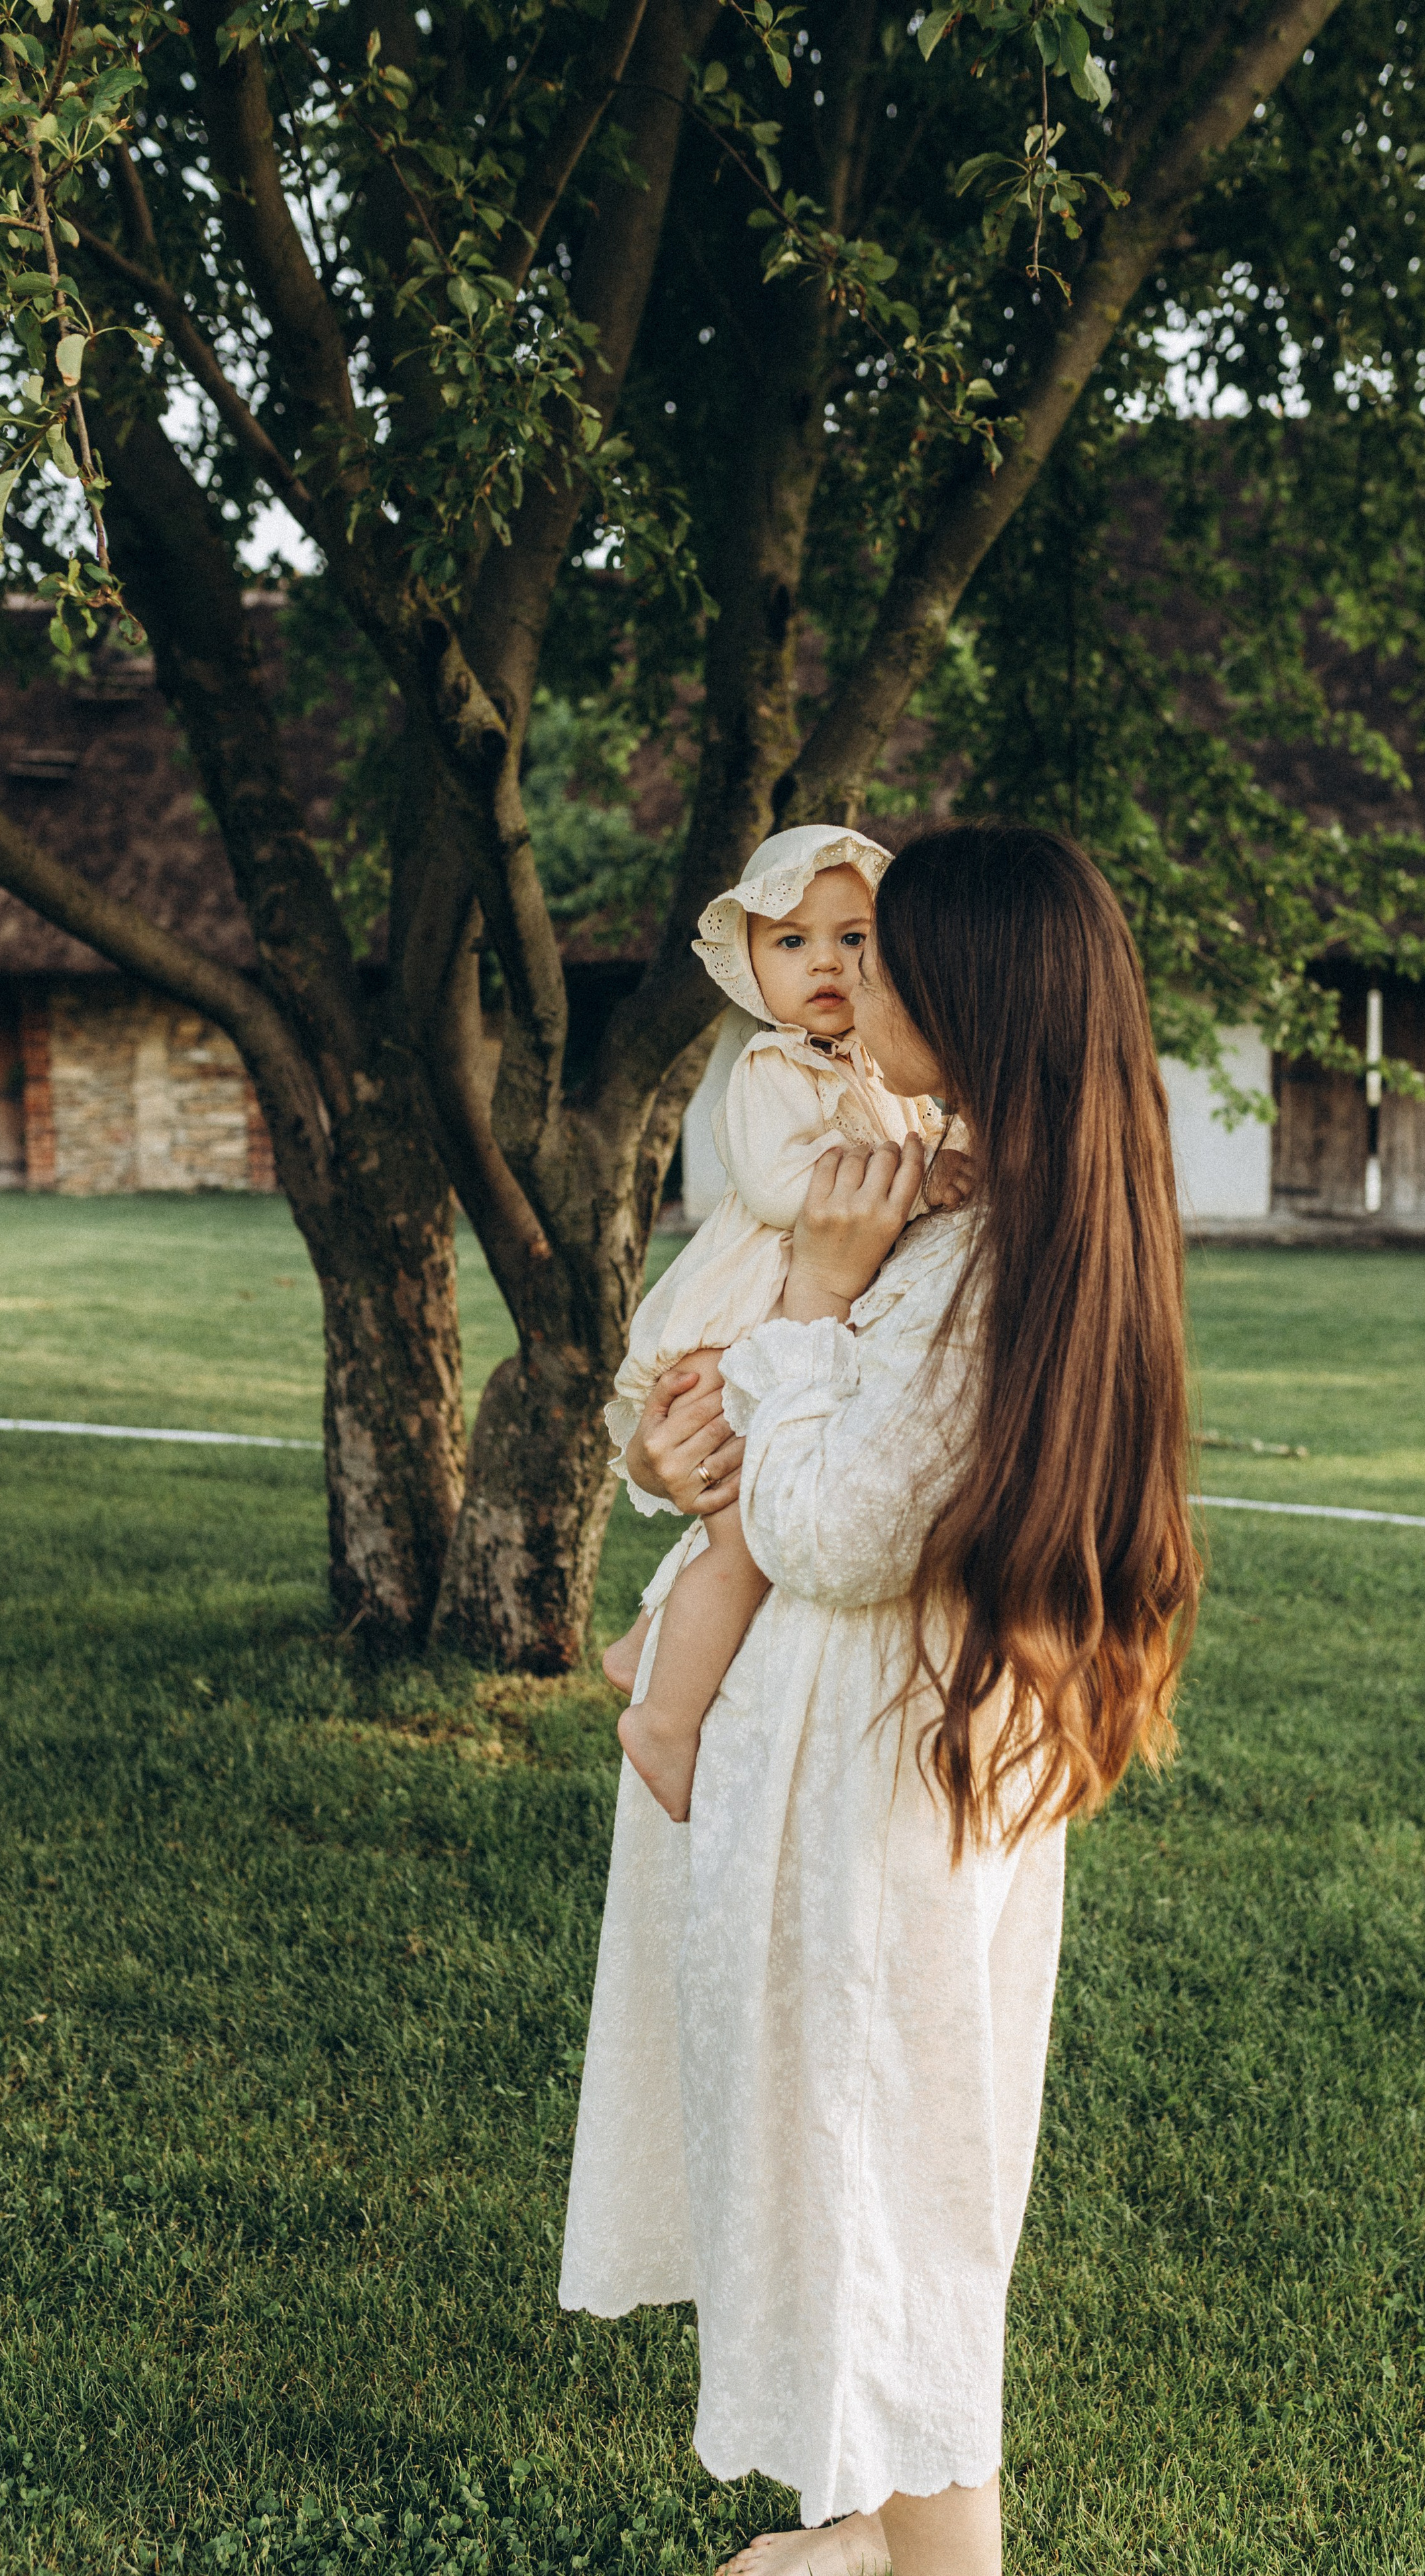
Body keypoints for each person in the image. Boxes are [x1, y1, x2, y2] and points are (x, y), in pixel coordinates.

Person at [560, 824, 1200, 2576]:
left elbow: (839, 1528)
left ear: (972, 1005)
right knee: (866, 2198)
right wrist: (688, 1456)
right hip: (842, 1782)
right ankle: (861, 2535)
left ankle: (923, 2562)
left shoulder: (972, 1262)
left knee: (897, 2218)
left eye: (894, 961)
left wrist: (816, 1312)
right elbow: (776, 1468)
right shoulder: (956, 1211)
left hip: (879, 1810)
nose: (863, 987)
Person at [601, 821, 957, 1823]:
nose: (829, 965)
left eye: (855, 940)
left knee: (737, 1520)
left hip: (793, 1314)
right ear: (752, 967)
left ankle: (640, 1648)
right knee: (745, 1537)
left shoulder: (886, 1078)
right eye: (791, 943)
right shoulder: (773, 1067)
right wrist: (924, 1180)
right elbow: (774, 1185)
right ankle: (662, 1719)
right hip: (747, 1315)